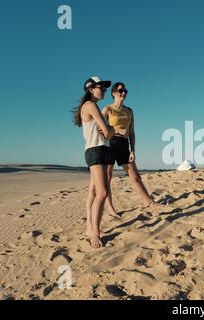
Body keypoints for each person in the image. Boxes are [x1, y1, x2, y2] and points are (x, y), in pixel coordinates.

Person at [102, 82, 162, 217]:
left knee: (135, 176)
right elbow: (100, 129)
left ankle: (150, 203)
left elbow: (132, 132)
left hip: (124, 145)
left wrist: (133, 150)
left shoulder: (129, 110)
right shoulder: (107, 110)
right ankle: (111, 209)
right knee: (107, 178)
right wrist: (116, 129)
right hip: (109, 144)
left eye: (125, 91)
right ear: (113, 93)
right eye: (120, 91)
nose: (123, 93)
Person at [73, 76, 114, 249]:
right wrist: (111, 129)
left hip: (102, 149)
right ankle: (94, 234)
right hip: (96, 151)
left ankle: (91, 227)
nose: (104, 90)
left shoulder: (91, 106)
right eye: (101, 87)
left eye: (105, 88)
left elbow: (107, 133)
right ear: (90, 89)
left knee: (94, 190)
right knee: (103, 192)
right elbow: (107, 131)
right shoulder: (90, 105)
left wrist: (109, 131)